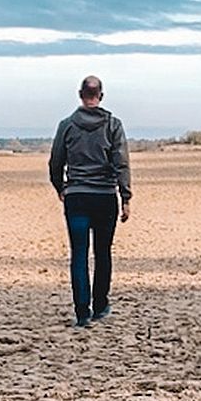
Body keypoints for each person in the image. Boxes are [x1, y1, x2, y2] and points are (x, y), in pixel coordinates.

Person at [49, 75, 131, 327]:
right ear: (101, 96)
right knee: (103, 253)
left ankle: (82, 311)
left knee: (79, 255)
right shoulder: (113, 125)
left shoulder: (66, 125)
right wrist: (125, 196)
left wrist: (60, 187)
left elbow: (55, 161)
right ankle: (101, 304)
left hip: (77, 197)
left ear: (80, 94)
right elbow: (121, 163)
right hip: (105, 197)